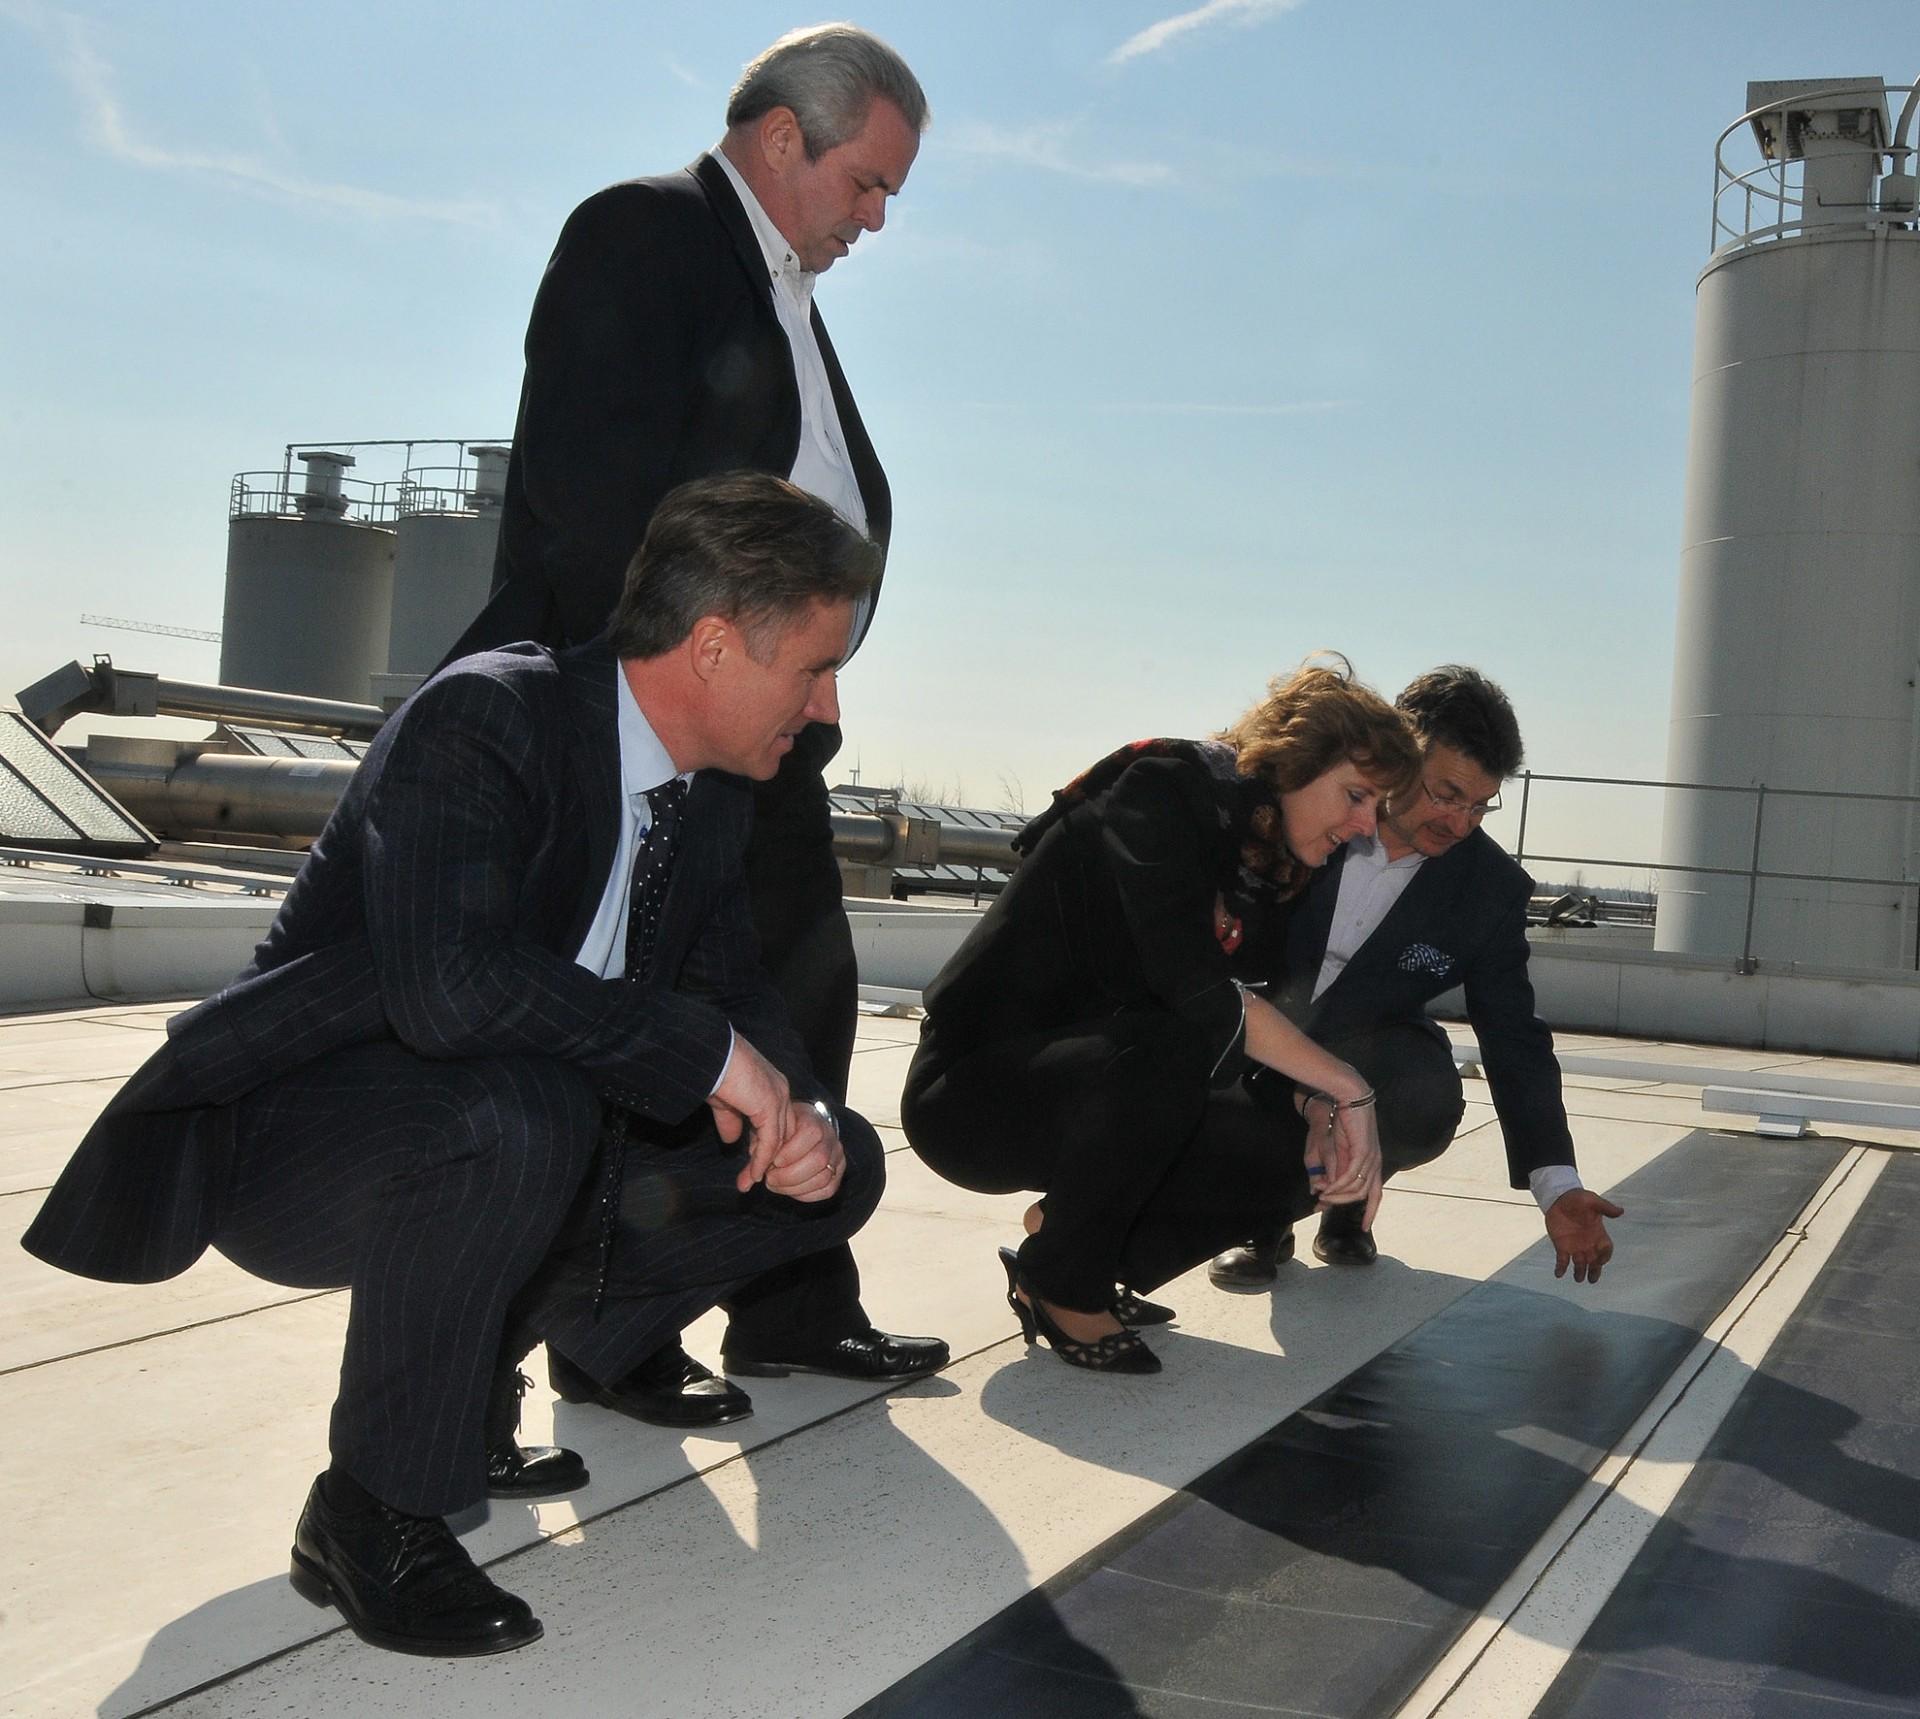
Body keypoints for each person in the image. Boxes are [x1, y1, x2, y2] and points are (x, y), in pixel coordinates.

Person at [22, 474, 891, 1657]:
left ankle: (528, 1352)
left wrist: (796, 1107)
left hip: (518, 1132)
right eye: (816, 667)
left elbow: (732, 987)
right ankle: (371, 1510)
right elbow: (450, 990)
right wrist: (706, 1057)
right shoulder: (490, 718)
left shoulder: (718, 795)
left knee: (841, 1169)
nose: (829, 708)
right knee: (523, 1110)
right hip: (307, 1140)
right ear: (715, 645)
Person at [445, 22, 943, 1418]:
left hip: (753, 730)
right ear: (784, 137)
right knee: (620, 1037)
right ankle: (560, 1347)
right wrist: (661, 701)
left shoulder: (782, 289)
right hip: (646, 715)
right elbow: (589, 500)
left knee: (803, 1007)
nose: (876, 217)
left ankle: (776, 1305)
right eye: (867, 182)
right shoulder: (646, 236)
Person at [899, 661, 1424, 1374]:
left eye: (1377, 804)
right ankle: (1063, 1279)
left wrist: (1318, 1109)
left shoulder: (1269, 868)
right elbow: (1196, 989)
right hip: (973, 1092)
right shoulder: (1165, 791)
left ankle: (1075, 1240)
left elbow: (1254, 1028)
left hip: (1105, 1077)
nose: (1366, 827)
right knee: (1177, 1045)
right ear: (1297, 760)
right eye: (1357, 795)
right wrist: (1344, 1084)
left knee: (1294, 1145)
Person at [1208, 665, 1623, 1294]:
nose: (1460, 823)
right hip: (1248, 1032)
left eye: (1480, 805)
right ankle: (1260, 1221)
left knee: (1426, 1098)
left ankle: (1343, 1206)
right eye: (1445, 794)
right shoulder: (1304, 811)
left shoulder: (1489, 891)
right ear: (1399, 755)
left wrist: (1556, 1184)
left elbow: (1513, 1033)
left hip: (1366, 1047)